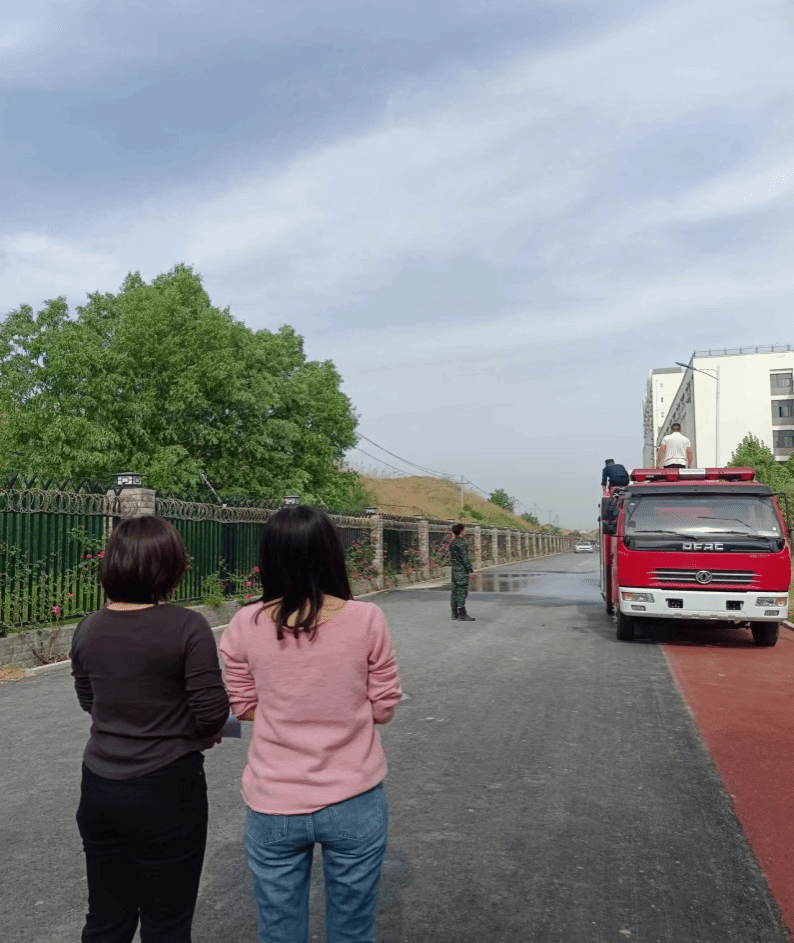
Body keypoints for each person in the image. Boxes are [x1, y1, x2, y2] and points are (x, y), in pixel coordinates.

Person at [219, 506, 402, 943]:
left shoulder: (246, 622)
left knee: (279, 930)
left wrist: (286, 711)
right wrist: (339, 707)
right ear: (330, 553)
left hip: (273, 799)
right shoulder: (366, 618)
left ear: (270, 557)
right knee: (352, 929)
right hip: (354, 796)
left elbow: (242, 707)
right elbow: (383, 708)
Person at [70, 515, 230, 943]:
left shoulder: (88, 627)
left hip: (100, 786)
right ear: (170, 566)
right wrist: (194, 733)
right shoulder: (187, 626)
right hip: (167, 787)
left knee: (106, 920)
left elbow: (89, 701)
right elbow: (211, 713)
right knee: (166, 924)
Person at [450, 523, 475, 621]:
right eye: (464, 530)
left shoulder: (453, 543)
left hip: (454, 571)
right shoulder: (462, 543)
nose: (465, 532)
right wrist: (470, 571)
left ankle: (454, 613)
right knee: (462, 592)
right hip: (461, 571)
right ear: (461, 532)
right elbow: (465, 559)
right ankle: (462, 614)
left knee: (454, 592)